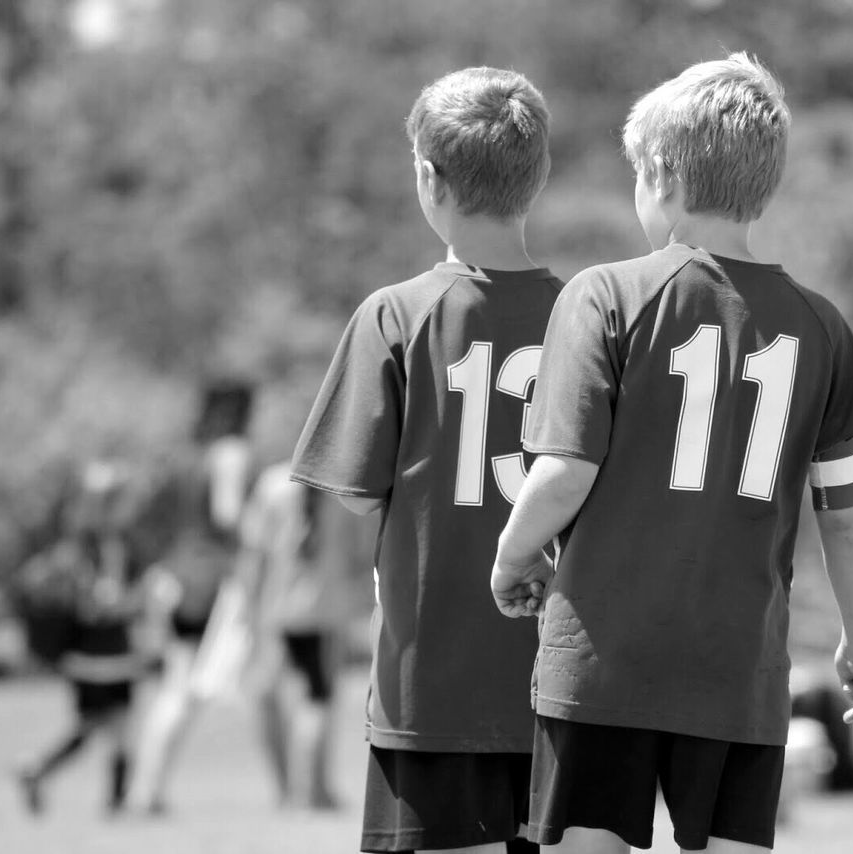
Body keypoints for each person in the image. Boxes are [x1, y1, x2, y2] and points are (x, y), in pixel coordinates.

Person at [490, 54, 853, 854]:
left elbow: (566, 468)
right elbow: (848, 517)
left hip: (605, 663)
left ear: (666, 177)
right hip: (736, 669)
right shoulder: (821, 327)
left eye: (639, 176)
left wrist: (512, 554)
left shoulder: (606, 295)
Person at [290, 66, 561, 853]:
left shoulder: (395, 315)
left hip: (431, 683)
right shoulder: (592, 315)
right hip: (564, 687)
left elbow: (357, 491)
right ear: (538, 176)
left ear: (426, 177)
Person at [128, 380, 256, 814]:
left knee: (172, 689)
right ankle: (146, 793)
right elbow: (229, 514)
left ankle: (145, 791)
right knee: (182, 693)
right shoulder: (231, 454)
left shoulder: (188, 455)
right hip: (206, 582)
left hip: (175, 575)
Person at [15, 460, 151, 816]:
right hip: (100, 655)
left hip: (98, 655)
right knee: (115, 728)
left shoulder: (97, 545)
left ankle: (42, 772)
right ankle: (114, 803)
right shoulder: (90, 550)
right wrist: (130, 602)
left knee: (94, 728)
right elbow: (97, 605)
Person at [236, 462, 368, 809]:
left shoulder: (271, 483)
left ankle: (285, 788)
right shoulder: (344, 485)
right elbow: (362, 555)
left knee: (267, 695)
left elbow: (254, 555)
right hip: (322, 611)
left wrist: (248, 610)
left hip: (275, 609)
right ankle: (314, 791)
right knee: (317, 699)